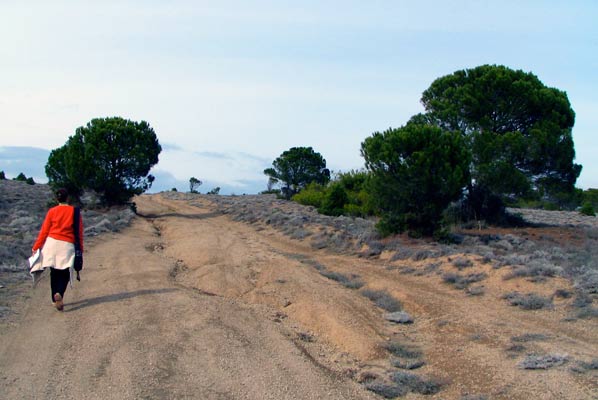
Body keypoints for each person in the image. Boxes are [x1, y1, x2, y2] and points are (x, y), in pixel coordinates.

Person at [31, 188, 84, 311]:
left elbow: (44, 231)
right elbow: (79, 233)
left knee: (54, 272)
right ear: (67, 198)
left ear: (57, 199)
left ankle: (54, 298)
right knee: (65, 272)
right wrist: (80, 249)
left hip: (51, 244)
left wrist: (36, 246)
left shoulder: (52, 211)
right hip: (67, 244)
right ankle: (59, 292)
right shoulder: (74, 212)